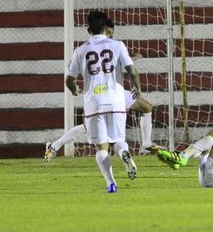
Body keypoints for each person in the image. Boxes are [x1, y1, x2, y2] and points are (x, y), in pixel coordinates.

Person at [45, 20, 156, 161]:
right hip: (100, 92)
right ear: (104, 30)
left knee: (146, 107)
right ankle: (55, 145)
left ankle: (146, 143)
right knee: (88, 128)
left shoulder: (109, 46)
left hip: (115, 91)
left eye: (112, 32)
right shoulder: (97, 47)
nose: (110, 34)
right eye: (109, 31)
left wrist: (131, 57)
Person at [65, 10, 142, 193]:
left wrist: (74, 89)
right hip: (116, 100)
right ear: (106, 28)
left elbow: (69, 79)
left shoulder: (81, 50)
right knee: (117, 140)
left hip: (94, 103)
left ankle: (111, 184)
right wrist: (137, 88)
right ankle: (124, 152)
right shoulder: (118, 45)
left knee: (101, 147)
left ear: (88, 29)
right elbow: (132, 70)